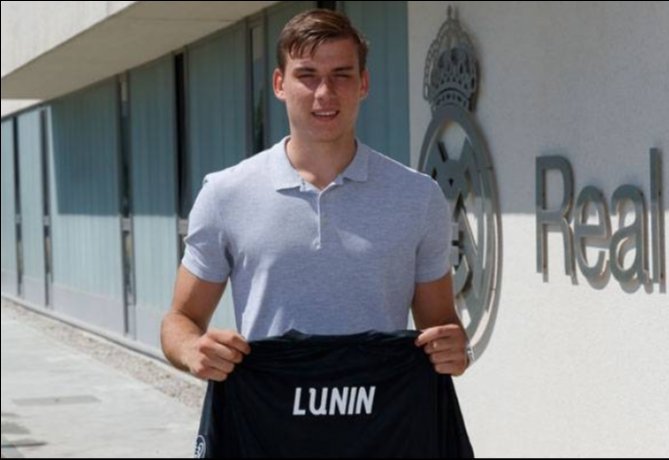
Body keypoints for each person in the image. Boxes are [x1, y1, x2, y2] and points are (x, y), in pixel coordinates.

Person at [160, 8, 469, 383]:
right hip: (268, 425)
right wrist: (193, 350)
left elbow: (440, 328)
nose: (325, 92)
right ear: (279, 84)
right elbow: (181, 320)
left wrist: (457, 350)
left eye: (341, 75)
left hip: (379, 426)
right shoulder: (225, 194)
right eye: (306, 75)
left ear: (364, 83)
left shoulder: (417, 196)